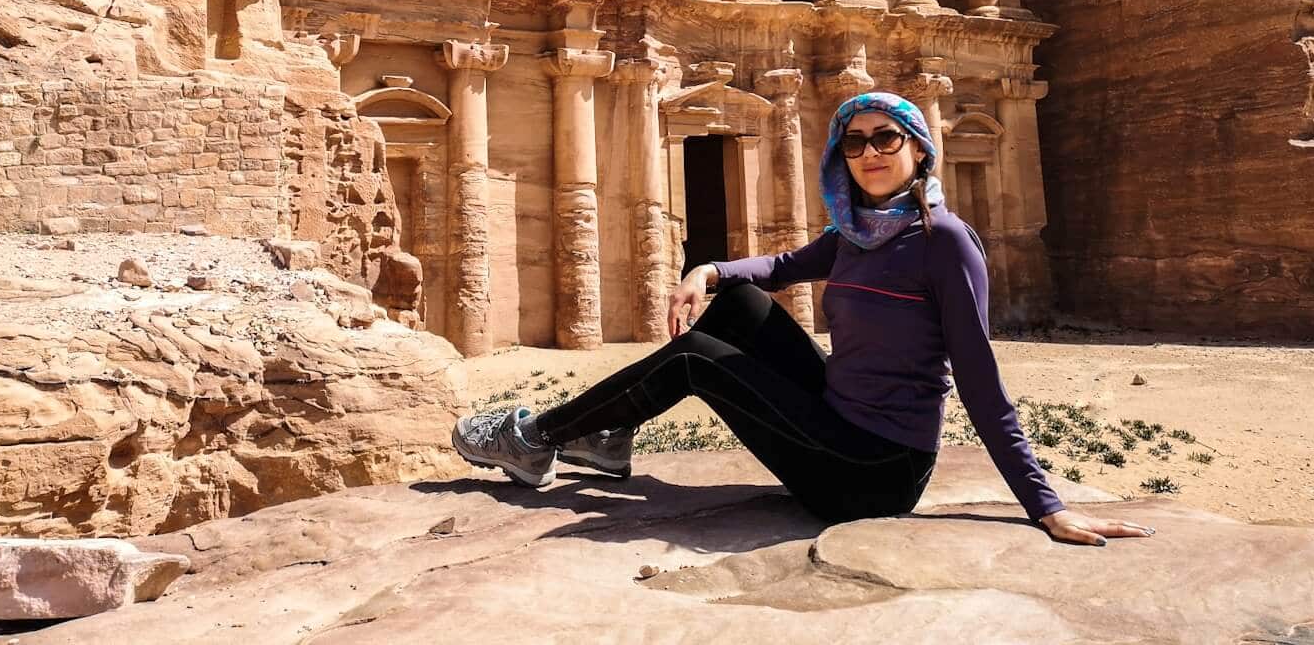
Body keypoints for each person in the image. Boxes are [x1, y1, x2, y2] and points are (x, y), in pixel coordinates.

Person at [453, 91, 1156, 547]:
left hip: (873, 469)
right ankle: (607, 440)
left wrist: (1045, 505)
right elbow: (782, 266)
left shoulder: (943, 241)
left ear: (918, 149)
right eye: (853, 143)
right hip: (836, 415)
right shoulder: (858, 231)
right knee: (735, 305)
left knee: (696, 356)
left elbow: (980, 383)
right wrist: (711, 270)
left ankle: (537, 437)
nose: (870, 153)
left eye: (886, 137)